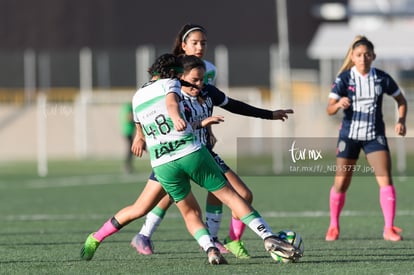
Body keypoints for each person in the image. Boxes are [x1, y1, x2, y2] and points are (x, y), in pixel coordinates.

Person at [80, 53, 301, 265]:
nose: (200, 84)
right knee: (231, 197)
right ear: (176, 74)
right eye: (196, 79)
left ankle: (210, 248)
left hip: (162, 162)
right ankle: (267, 236)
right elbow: (171, 106)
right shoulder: (171, 84)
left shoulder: (138, 96)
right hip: (190, 152)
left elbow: (143, 127)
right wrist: (181, 120)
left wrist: (141, 137)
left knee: (177, 210)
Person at [131, 24, 294, 259]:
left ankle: (221, 241)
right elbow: (149, 105)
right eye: (195, 42)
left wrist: (268, 114)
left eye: (203, 43)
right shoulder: (170, 72)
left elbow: (227, 103)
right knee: (162, 198)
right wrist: (141, 134)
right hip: (171, 149)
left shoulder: (206, 74)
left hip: (199, 149)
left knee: (240, 194)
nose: (200, 47)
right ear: (183, 45)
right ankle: (145, 234)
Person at [325, 35, 407, 242]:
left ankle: (389, 228)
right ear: (352, 56)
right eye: (359, 55)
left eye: (367, 55)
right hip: (349, 136)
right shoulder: (344, 79)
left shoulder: (381, 78)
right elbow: (329, 109)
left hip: (374, 136)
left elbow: (401, 100)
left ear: (373, 56)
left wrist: (401, 120)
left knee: (385, 180)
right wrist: (337, 104)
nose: (363, 58)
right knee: (342, 182)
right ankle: (333, 225)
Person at [119, 102, 136, 173]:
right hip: (128, 131)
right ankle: (127, 166)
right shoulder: (129, 108)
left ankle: (128, 166)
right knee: (130, 150)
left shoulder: (124, 107)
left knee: (130, 149)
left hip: (125, 130)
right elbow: (129, 118)